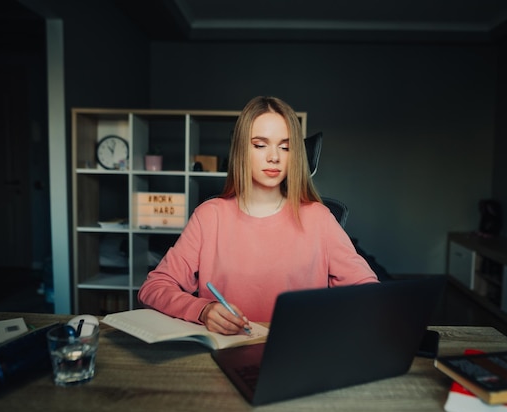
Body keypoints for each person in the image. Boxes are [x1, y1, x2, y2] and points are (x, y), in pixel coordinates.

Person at [138, 96, 378, 335]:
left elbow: (368, 291)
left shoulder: (319, 219)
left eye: (285, 147)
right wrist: (202, 309)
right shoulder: (209, 217)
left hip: (297, 351)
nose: (274, 156)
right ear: (242, 149)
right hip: (225, 352)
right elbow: (153, 287)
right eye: (260, 145)